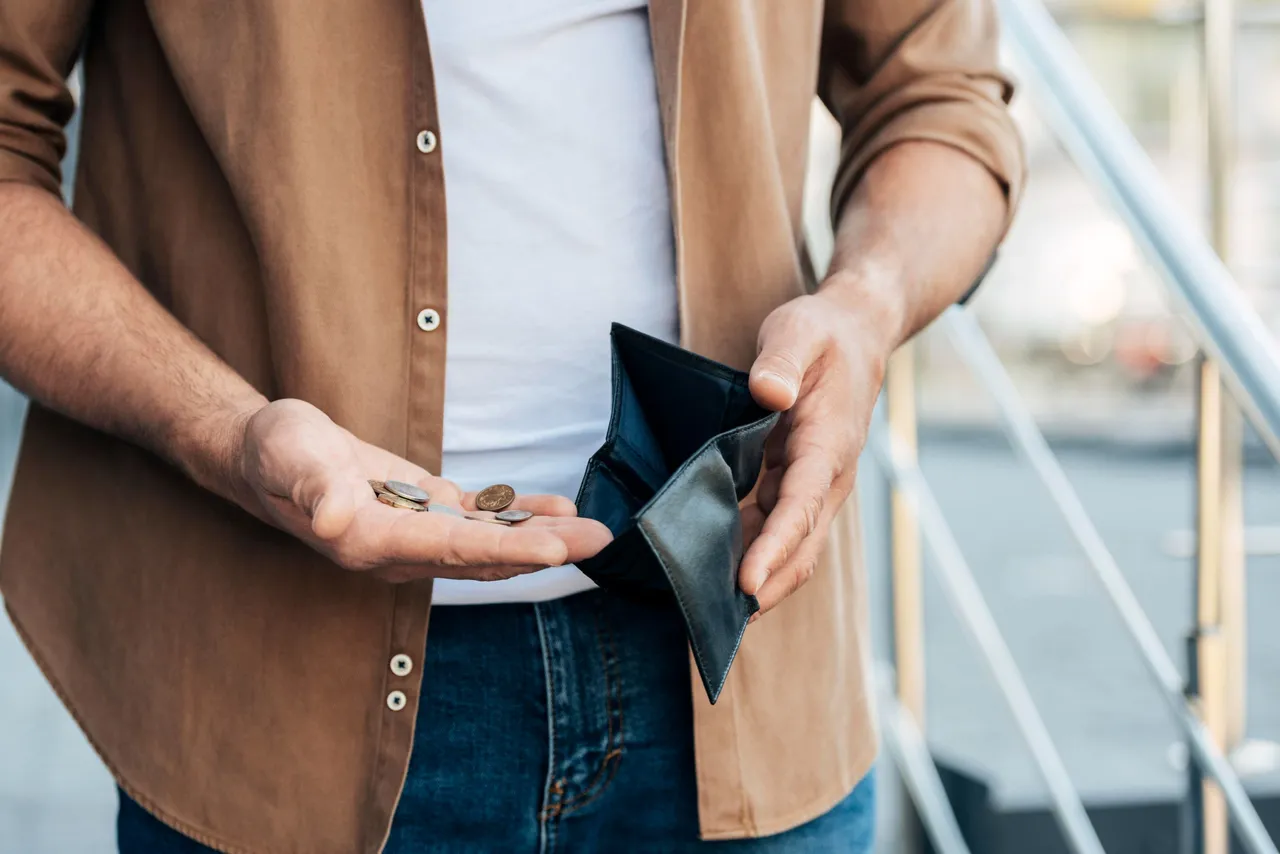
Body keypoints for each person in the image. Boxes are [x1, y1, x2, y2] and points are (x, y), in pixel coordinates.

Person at [0, 1, 1023, 852]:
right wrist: (224, 430)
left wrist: (867, 302)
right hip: (269, 692)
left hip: (739, 673)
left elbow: (935, 95)